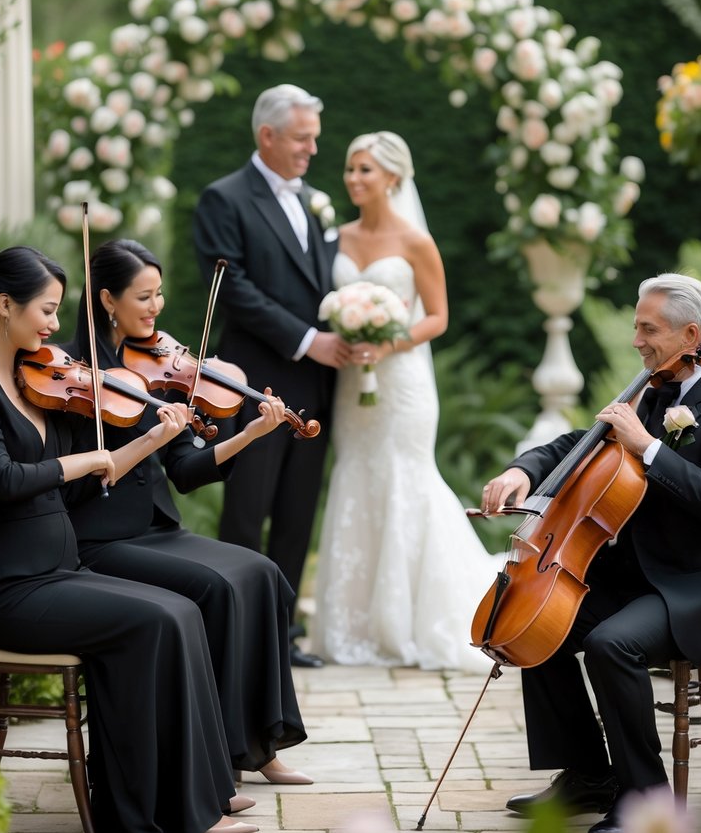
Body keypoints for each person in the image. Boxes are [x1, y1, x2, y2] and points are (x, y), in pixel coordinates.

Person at [0, 246, 259, 833]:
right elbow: (4, 480)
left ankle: (195, 797)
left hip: (55, 570)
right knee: (152, 621)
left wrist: (150, 437)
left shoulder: (32, 383)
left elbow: (87, 480)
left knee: (180, 611)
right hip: (5, 588)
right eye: (47, 310)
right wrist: (86, 455)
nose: (57, 326)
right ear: (5, 306)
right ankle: (144, 815)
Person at [480, 273, 701, 833]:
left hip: (695, 587)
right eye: (636, 326)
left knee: (612, 645)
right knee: (537, 626)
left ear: (691, 335)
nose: (636, 339)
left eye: (647, 328)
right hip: (637, 577)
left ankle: (645, 802)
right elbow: (571, 446)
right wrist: (522, 469)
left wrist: (650, 447)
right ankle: (588, 775)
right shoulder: (648, 394)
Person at [65, 238, 313, 784]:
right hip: (100, 539)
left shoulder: (154, 362)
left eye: (159, 295)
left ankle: (261, 743)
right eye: (143, 297)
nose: (156, 309)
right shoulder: (76, 374)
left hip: (153, 528)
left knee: (261, 572)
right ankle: (221, 757)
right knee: (217, 588)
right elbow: (81, 478)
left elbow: (186, 469)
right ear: (107, 300)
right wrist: (149, 439)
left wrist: (248, 433)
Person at [310, 131, 505, 671]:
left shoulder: (416, 241)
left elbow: (437, 316)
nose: (353, 179)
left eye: (365, 170)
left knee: (405, 477)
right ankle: (353, 625)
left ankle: (418, 618)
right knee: (357, 474)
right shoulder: (336, 237)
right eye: (350, 168)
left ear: (393, 177)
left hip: (403, 383)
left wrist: (386, 342)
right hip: (352, 382)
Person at [192, 83, 352, 667]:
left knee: (295, 513)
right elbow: (232, 288)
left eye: (314, 137)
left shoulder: (314, 197)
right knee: (247, 511)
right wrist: (310, 340)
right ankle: (239, 636)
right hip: (254, 382)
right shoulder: (223, 198)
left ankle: (281, 639)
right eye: (302, 138)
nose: (312, 149)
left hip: (317, 385)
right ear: (268, 135)